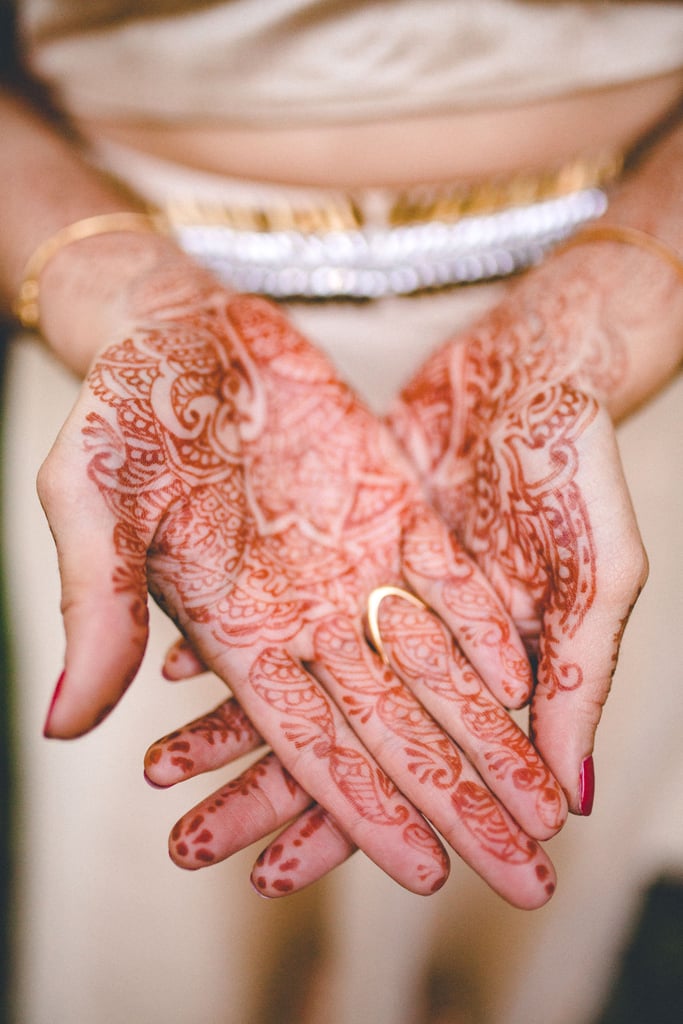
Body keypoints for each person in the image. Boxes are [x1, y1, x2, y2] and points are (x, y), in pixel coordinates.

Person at [1, 2, 681, 1022]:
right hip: (147, 400)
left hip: (594, 408)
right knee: (166, 961)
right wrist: (110, 285)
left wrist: (613, 300)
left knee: (505, 957)